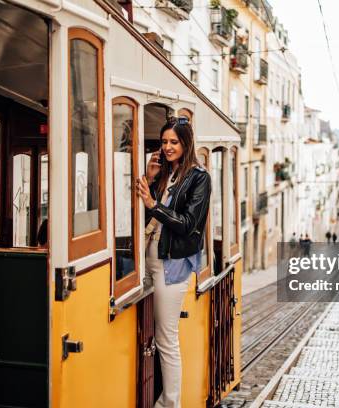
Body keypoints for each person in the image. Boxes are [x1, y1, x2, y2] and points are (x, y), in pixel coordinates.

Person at [136, 116, 211, 408]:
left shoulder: (199, 177)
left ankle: (170, 404)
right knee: (153, 336)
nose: (167, 147)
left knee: (167, 340)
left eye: (173, 142)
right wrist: (153, 180)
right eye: (164, 142)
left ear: (186, 143)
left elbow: (189, 224)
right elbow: (146, 218)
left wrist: (155, 205)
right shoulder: (167, 176)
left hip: (173, 264)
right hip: (149, 259)